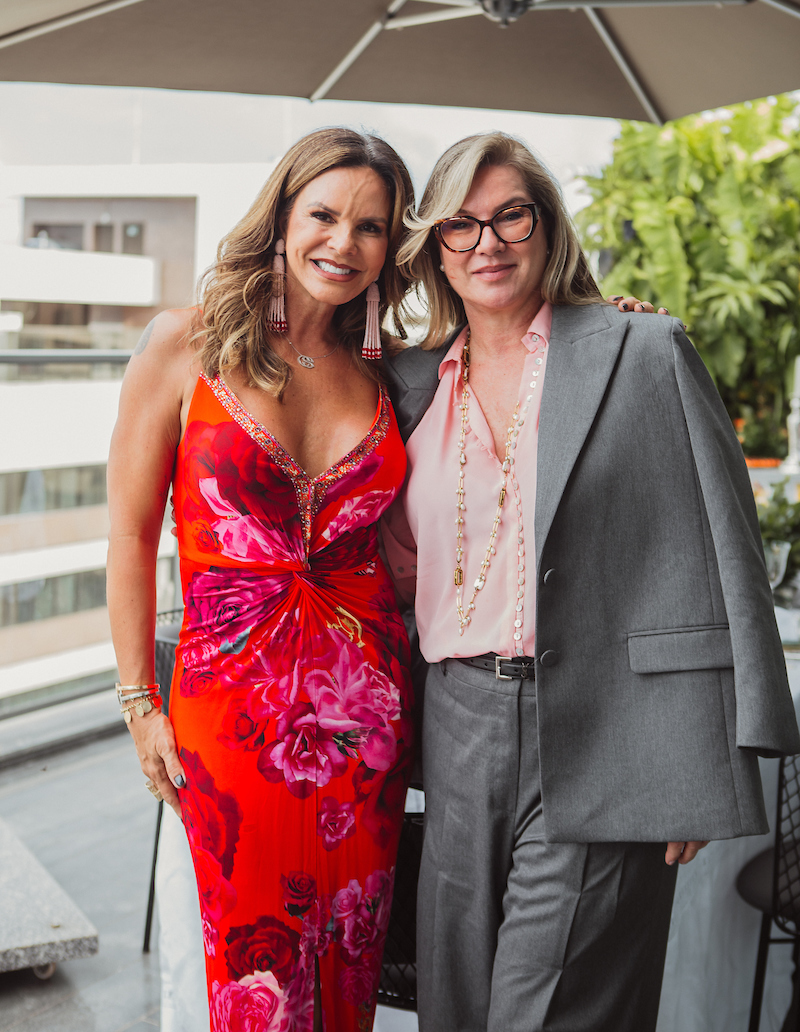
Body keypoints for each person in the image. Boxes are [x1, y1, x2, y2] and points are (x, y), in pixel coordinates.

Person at [381, 131, 800, 1032]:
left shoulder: (643, 350)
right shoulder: (406, 385)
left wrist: (701, 761)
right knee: (454, 1007)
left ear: (546, 225)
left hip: (612, 727)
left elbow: (722, 551)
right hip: (455, 721)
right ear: (434, 249)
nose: (486, 243)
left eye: (510, 216)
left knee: (555, 1007)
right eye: (460, 225)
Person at [107, 128, 417, 1032]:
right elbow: (128, 534)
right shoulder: (184, 345)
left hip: (368, 721)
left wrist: (603, 317)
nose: (343, 243)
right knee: (254, 983)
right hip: (227, 723)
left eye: (370, 227)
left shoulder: (387, 368)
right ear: (281, 218)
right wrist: (137, 701)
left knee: (349, 969)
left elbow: (518, 349)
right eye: (323, 214)